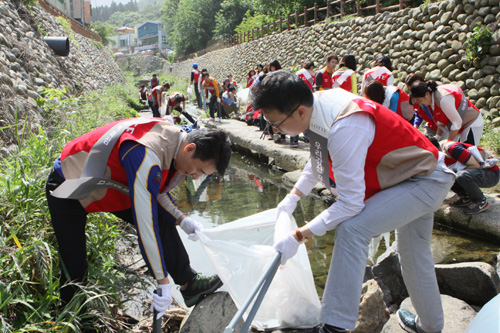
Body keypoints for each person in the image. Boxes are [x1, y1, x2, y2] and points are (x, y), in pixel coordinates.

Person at [251, 70, 455, 333]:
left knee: (353, 229)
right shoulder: (320, 105)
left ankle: (334, 326)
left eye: (275, 124)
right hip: (411, 177)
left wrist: (299, 235)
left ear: (299, 112)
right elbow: (317, 163)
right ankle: (430, 326)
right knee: (414, 255)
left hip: (425, 180)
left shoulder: (346, 125)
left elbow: (350, 205)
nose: (274, 129)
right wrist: (292, 198)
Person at [46, 118, 231, 320]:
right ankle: (71, 318)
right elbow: (146, 225)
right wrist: (162, 282)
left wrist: (181, 219)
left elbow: (157, 190)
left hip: (110, 184)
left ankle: (189, 283)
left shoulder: (176, 139)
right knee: (74, 266)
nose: (196, 177)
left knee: (163, 218)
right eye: (200, 170)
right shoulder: (145, 153)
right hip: (68, 187)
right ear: (190, 148)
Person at [428, 136, 499, 215]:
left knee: (460, 175)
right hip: (476, 173)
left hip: (490, 174)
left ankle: (481, 201)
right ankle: (466, 197)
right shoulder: (438, 153)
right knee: (447, 173)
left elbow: (476, 165)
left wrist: (454, 172)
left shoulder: (453, 149)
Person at [410, 80, 484, 145]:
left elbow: (457, 122)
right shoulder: (430, 100)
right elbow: (440, 121)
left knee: (469, 153)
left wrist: (448, 143)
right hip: (460, 126)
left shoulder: (443, 99)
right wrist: (437, 137)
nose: (420, 103)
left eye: (419, 100)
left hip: (471, 123)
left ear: (427, 94)